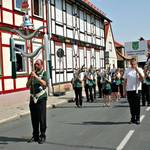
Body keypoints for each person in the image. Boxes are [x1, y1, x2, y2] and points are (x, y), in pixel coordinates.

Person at [26, 59, 48, 144]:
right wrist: (31, 78)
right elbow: (27, 85)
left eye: (38, 64)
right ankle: (35, 135)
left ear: (42, 65)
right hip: (32, 98)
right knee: (34, 118)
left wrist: (36, 77)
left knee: (41, 118)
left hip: (41, 98)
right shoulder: (32, 73)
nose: (36, 66)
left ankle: (42, 135)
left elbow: (44, 84)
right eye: (35, 64)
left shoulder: (44, 73)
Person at [123, 58, 144, 124]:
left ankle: (137, 118)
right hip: (129, 89)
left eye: (134, 64)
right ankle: (133, 118)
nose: (133, 65)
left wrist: (137, 70)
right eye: (131, 64)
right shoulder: (127, 70)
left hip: (137, 89)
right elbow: (125, 81)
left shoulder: (140, 69)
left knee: (137, 105)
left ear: (136, 63)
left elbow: (142, 79)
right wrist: (124, 90)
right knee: (131, 105)